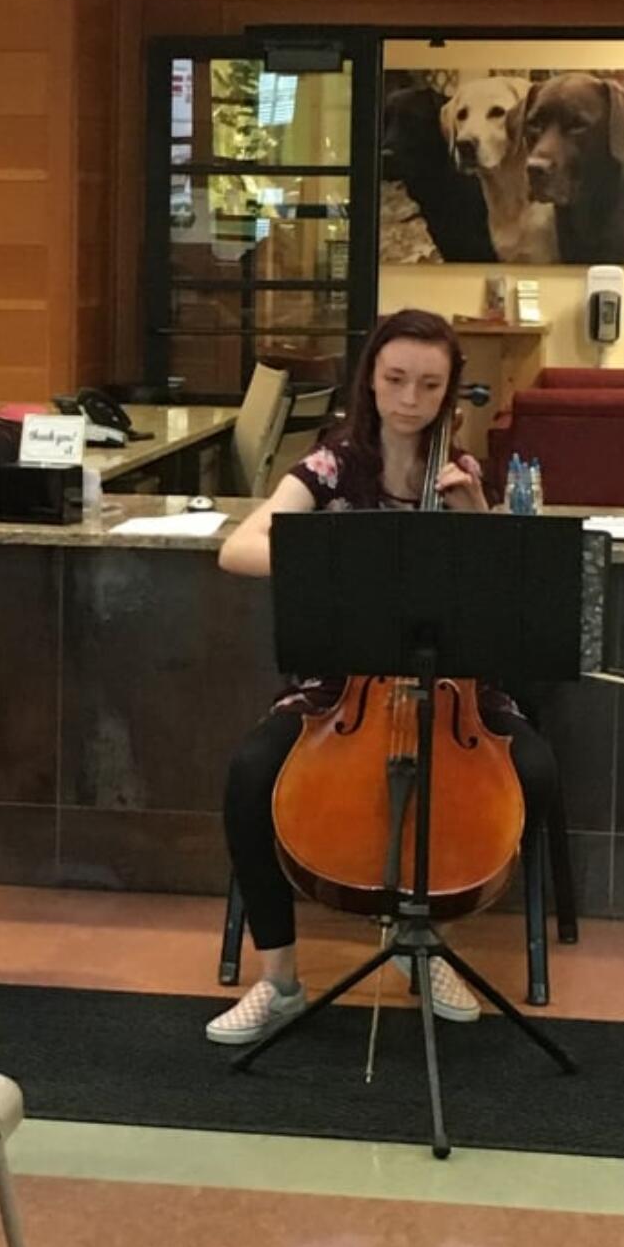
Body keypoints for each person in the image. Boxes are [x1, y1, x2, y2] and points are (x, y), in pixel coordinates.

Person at [206, 308, 560, 1044]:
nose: (410, 399)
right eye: (395, 379)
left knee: (533, 767)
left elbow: (503, 601)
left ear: (450, 391)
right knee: (249, 773)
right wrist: (344, 570)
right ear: (370, 379)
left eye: (430, 385)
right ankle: (279, 980)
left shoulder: (465, 474)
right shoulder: (333, 466)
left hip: (455, 691)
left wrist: (479, 519)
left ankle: (419, 939)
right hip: (344, 691)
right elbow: (239, 549)